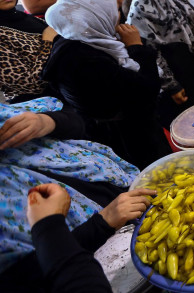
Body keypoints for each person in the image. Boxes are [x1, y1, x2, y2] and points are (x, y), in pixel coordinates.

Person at [0, 96, 155, 293]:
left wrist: (47, 121)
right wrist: (102, 223)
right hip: (105, 258)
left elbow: (78, 123)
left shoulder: (6, 119)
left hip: (122, 190)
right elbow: (30, 276)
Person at [42, 0, 171, 169]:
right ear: (95, 17)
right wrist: (136, 47)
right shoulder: (85, 61)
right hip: (127, 141)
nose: (118, 16)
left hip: (113, 133)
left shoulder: (76, 40)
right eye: (115, 10)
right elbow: (146, 91)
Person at [0, 0, 59, 103]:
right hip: (41, 109)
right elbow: (32, 85)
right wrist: (47, 42)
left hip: (68, 93)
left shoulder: (24, 17)